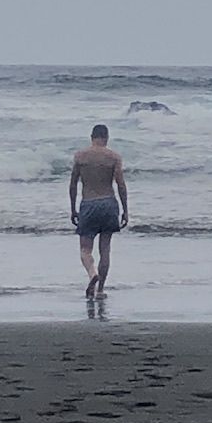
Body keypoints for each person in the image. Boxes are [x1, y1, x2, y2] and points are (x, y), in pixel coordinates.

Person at [69, 124, 128, 296]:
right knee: (105, 249)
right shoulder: (114, 157)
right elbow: (121, 185)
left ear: (91, 137)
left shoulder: (80, 156)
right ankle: (101, 289)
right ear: (106, 137)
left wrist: (73, 209)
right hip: (109, 203)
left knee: (85, 249)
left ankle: (92, 273)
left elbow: (73, 184)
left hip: (89, 203)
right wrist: (125, 210)